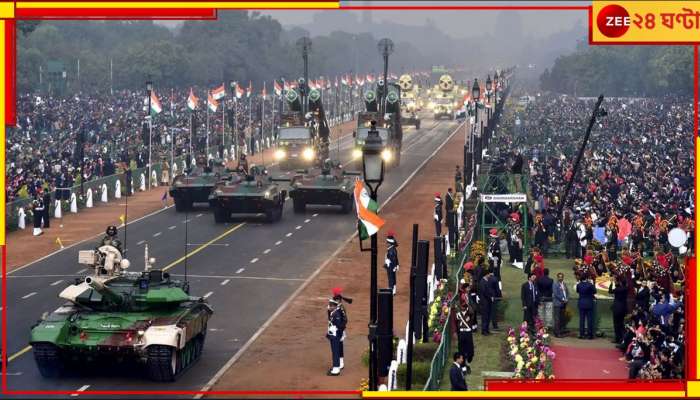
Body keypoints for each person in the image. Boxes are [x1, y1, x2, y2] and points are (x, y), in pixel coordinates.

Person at [326, 287, 348, 376]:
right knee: (336, 349)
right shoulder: (336, 310)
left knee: (335, 350)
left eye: (331, 305)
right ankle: (338, 365)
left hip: (336, 334)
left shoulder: (337, 313)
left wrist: (340, 331)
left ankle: (336, 368)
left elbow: (340, 323)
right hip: (336, 333)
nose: (329, 306)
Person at [455, 301, 477, 366]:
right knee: (461, 349)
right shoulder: (458, 313)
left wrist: (468, 304)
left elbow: (473, 311)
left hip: (468, 332)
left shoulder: (470, 313)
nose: (463, 308)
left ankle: (469, 357)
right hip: (461, 332)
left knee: (469, 348)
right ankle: (463, 363)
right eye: (462, 306)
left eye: (464, 306)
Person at [610, 275, 628, 344]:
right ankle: (622, 338)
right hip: (623, 308)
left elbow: (610, 291)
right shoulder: (626, 289)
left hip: (617, 308)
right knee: (621, 324)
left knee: (616, 324)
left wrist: (611, 283)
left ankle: (617, 338)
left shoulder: (617, 289)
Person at [477, 271, 495, 335]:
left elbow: (490, 290)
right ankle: (484, 330)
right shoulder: (482, 282)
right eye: (488, 274)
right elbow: (484, 292)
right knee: (485, 316)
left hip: (488, 301)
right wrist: (490, 297)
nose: (489, 275)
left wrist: (492, 295)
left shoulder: (487, 281)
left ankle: (487, 329)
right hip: (484, 302)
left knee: (488, 316)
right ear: (486, 275)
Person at [553, 272, 569, 337]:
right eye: (559, 277)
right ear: (557, 277)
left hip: (564, 304)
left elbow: (567, 292)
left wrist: (567, 298)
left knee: (562, 318)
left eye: (561, 277)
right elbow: (556, 294)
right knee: (557, 318)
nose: (560, 278)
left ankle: (561, 330)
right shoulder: (555, 284)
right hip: (558, 303)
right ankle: (557, 333)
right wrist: (563, 299)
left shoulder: (564, 284)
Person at [384, 231, 399, 295]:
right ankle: (393, 289)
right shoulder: (391, 249)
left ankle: (391, 289)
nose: (386, 243)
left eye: (387, 242)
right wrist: (397, 265)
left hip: (391, 266)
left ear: (390, 243)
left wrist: (395, 266)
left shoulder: (391, 250)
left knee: (391, 277)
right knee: (392, 277)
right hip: (391, 265)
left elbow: (394, 258)